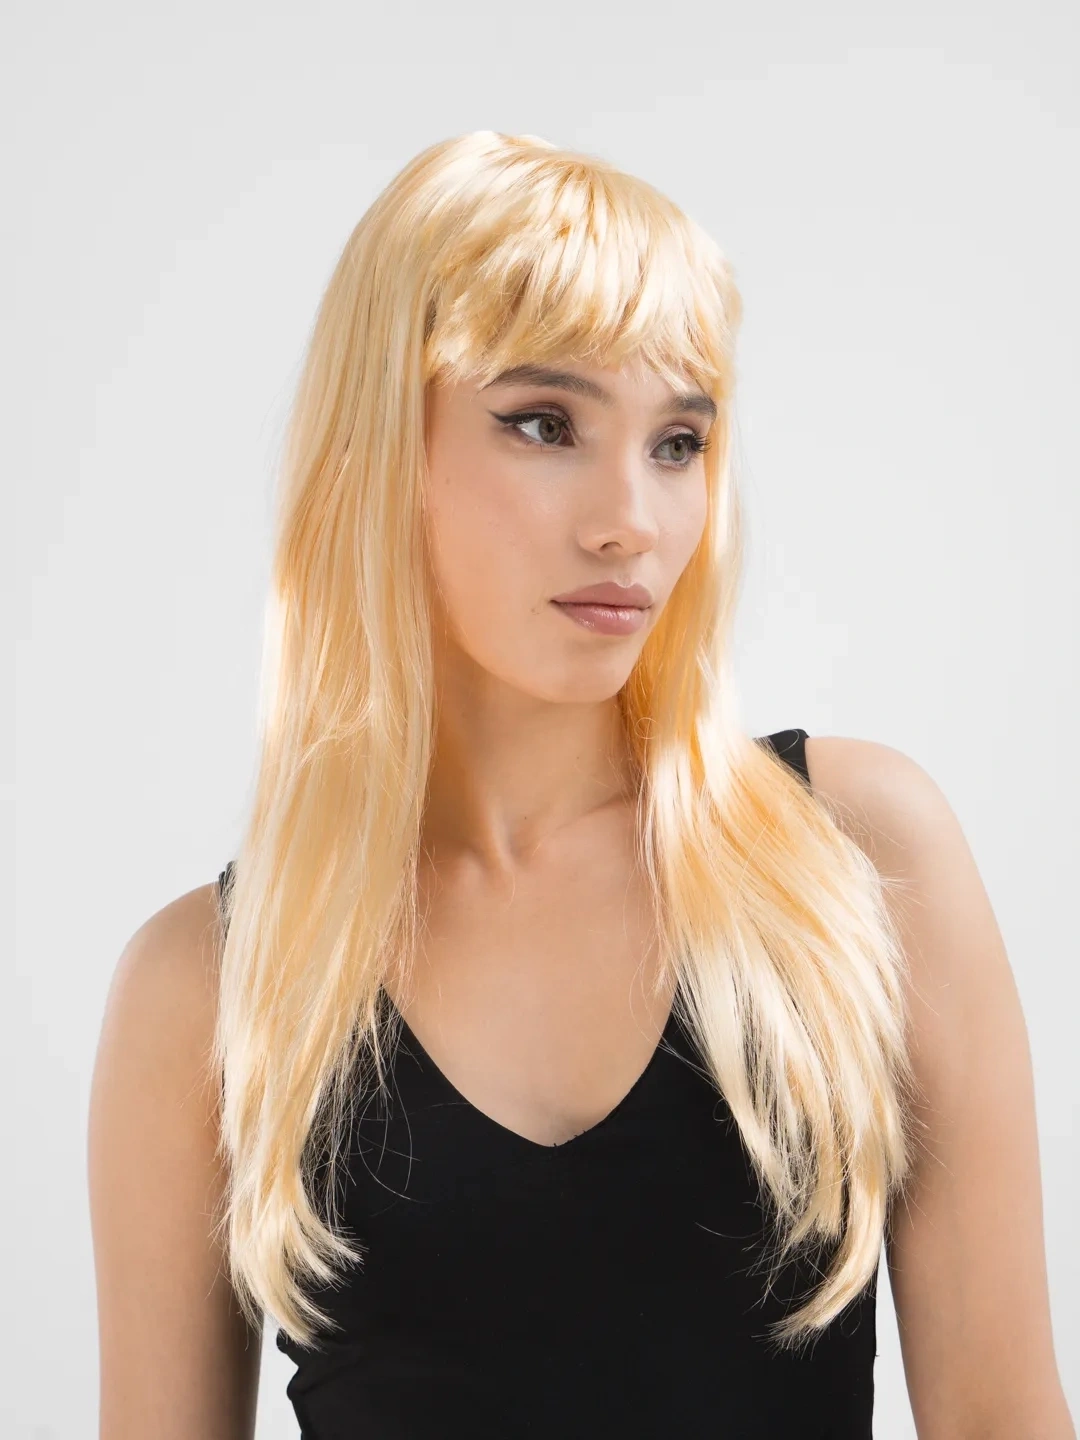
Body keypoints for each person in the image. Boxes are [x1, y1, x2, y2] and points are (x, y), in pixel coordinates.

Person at [88, 131, 1075, 1439]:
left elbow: (1006, 1416)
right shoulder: (211, 989)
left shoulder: (855, 855)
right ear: (382, 447)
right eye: (545, 424)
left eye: (679, 442)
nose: (631, 521)